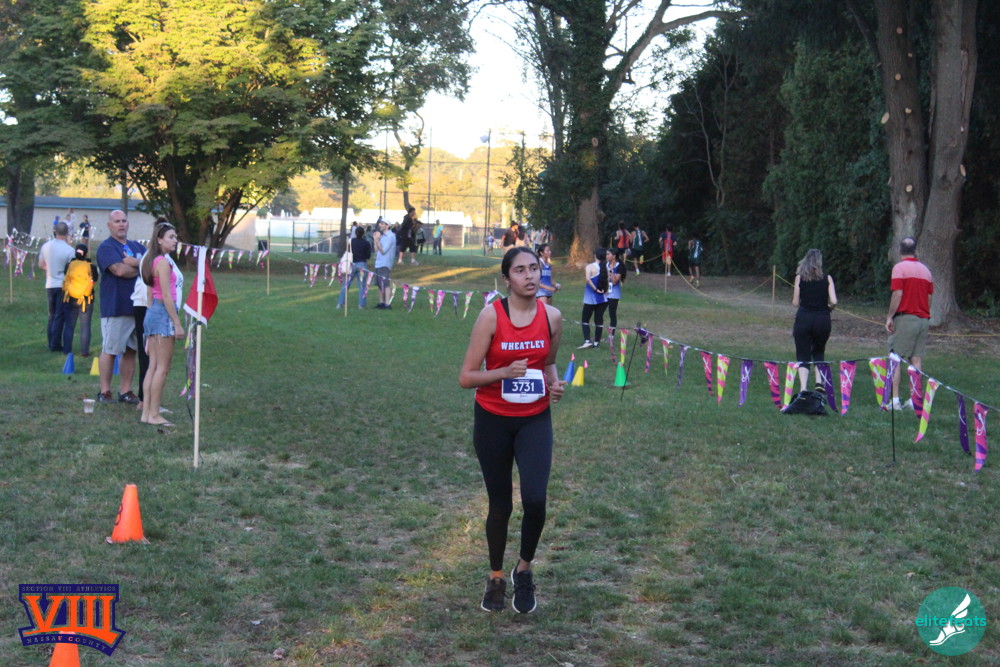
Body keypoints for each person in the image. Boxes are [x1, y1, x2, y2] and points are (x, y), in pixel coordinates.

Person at [458, 246, 566, 613]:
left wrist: (553, 384)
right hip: (493, 420)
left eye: (534, 268)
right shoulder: (491, 316)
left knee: (535, 500)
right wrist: (504, 372)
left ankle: (524, 569)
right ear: (507, 279)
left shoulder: (552, 317)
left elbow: (548, 363)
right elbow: (466, 377)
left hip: (535, 419)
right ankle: (495, 577)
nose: (530, 275)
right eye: (520, 270)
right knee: (501, 503)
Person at [96, 210, 146, 404]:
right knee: (110, 350)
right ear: (109, 225)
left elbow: (153, 266)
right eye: (117, 221)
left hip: (138, 307)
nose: (121, 224)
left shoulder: (137, 246)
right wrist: (141, 267)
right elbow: (119, 270)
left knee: (131, 351)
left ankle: (125, 391)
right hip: (116, 306)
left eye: (124, 220)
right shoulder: (106, 247)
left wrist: (136, 264)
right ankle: (105, 392)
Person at [139, 221, 185, 426]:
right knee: (162, 368)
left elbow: (150, 293)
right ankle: (154, 414)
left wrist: (151, 318)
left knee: (153, 366)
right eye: (171, 237)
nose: (175, 241)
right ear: (159, 239)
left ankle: (147, 413)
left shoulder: (151, 260)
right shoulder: (163, 263)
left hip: (152, 313)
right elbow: (166, 296)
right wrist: (177, 323)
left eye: (175, 237)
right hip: (163, 314)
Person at [885, 236, 933, 410]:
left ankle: (895, 400)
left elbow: (897, 293)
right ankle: (914, 400)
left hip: (905, 317)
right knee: (916, 358)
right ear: (915, 251)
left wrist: (890, 316)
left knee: (895, 358)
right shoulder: (926, 271)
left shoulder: (899, 268)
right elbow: (929, 297)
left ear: (900, 251)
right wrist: (925, 313)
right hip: (923, 319)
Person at [790, 249, 837, 394]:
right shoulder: (827, 278)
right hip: (822, 319)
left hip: (804, 318)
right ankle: (818, 382)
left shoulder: (799, 278)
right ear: (819, 262)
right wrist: (829, 307)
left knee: (803, 353)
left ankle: (804, 388)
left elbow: (795, 303)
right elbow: (834, 300)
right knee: (819, 350)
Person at [38, 222, 76, 352]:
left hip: (50, 283)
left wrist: (51, 270)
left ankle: (51, 342)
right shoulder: (69, 250)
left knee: (51, 315)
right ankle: (56, 343)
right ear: (67, 233)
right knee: (60, 315)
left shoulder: (46, 246)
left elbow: (41, 264)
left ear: (55, 232)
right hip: (63, 284)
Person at [61, 244, 100, 358]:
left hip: (70, 297)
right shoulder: (91, 266)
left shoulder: (69, 265)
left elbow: (66, 276)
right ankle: (84, 351)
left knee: (69, 325)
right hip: (86, 300)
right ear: (86, 254)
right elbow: (95, 279)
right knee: (85, 326)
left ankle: (67, 349)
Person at [578, 248, 610, 349]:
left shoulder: (590, 267)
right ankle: (597, 343)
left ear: (595, 255)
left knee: (585, 319)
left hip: (590, 299)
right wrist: (604, 291)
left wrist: (596, 289)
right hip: (603, 299)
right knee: (599, 321)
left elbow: (588, 280)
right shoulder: (606, 267)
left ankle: (587, 340)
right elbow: (608, 282)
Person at [337, 226, 372, 309]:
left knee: (346, 284)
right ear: (363, 234)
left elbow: (348, 251)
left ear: (355, 233)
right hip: (362, 264)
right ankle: (361, 305)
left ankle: (340, 303)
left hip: (351, 264)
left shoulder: (351, 241)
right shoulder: (367, 243)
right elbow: (368, 256)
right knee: (362, 285)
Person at [373, 217, 396, 309]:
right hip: (378, 263)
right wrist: (375, 240)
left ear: (387, 226)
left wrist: (377, 240)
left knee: (386, 284)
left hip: (385, 263)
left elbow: (383, 251)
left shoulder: (391, 236)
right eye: (380, 223)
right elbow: (376, 251)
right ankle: (381, 302)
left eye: (382, 224)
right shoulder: (382, 236)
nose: (380, 225)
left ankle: (387, 303)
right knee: (379, 284)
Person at [606, 248, 627, 337]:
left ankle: (611, 335)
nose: (606, 256)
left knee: (612, 314)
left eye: (608, 254)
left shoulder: (619, 266)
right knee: (599, 312)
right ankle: (598, 335)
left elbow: (614, 281)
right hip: (605, 292)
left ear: (614, 256)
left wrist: (611, 271)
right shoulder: (606, 264)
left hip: (614, 294)